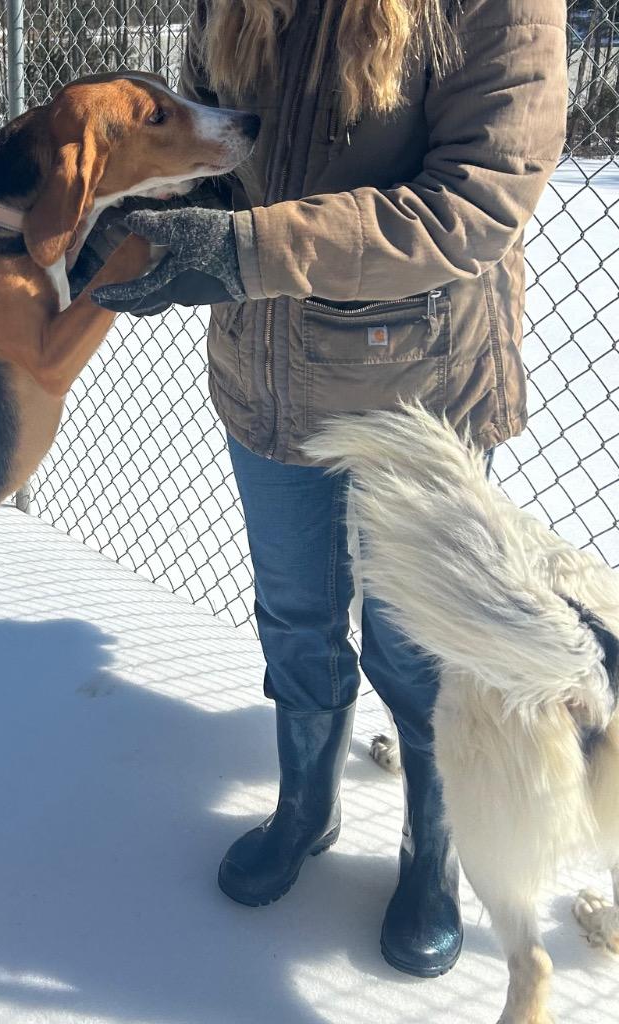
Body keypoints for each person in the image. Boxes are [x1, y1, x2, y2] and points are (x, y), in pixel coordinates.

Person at [86, 0, 568, 977]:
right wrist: (161, 218)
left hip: (419, 401)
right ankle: (305, 805)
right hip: (266, 379)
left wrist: (244, 251)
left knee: (418, 644)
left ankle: (430, 850)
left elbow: (477, 199)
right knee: (295, 616)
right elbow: (220, 143)